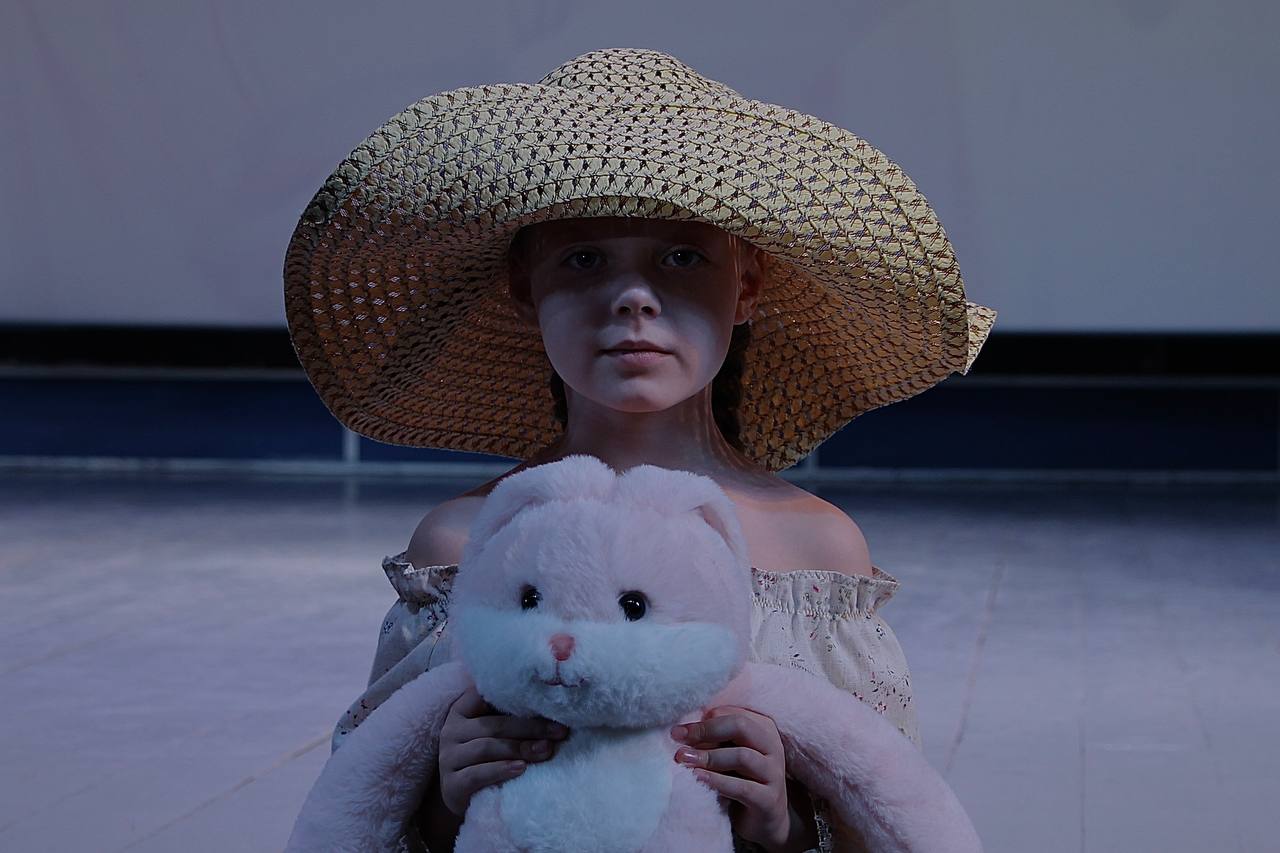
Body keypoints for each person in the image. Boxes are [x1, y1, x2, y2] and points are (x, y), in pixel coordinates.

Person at [284, 48, 996, 853]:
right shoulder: (462, 546)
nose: (633, 296)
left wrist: (785, 820)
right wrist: (445, 802)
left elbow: (895, 807)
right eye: (584, 258)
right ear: (524, 284)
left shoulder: (817, 551)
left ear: (748, 283)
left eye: (682, 256)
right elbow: (363, 801)